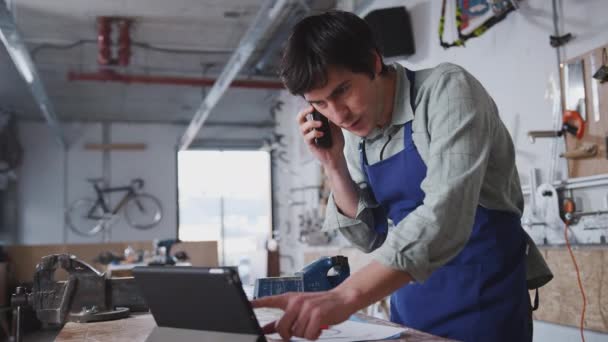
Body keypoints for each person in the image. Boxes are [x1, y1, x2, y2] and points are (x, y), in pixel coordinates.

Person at [252, 10, 552, 342]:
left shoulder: (447, 91)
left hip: (483, 301)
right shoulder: (355, 135)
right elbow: (367, 237)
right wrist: (333, 164)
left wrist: (344, 296)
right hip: (410, 305)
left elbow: (445, 217)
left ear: (374, 61)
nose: (337, 114)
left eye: (342, 90)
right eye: (320, 104)